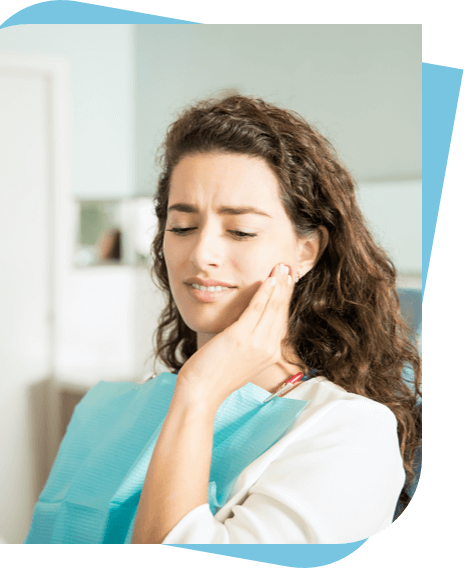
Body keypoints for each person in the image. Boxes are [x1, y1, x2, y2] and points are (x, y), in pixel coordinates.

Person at [129, 92, 422, 544]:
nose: (201, 253)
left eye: (240, 231)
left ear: (307, 250)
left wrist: (200, 393)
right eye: (182, 226)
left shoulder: (349, 432)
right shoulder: (140, 405)